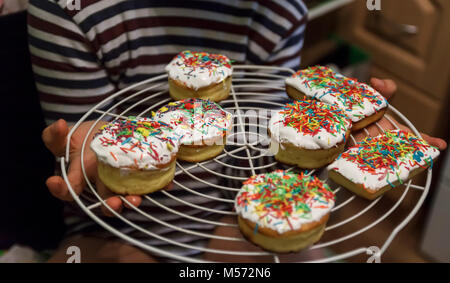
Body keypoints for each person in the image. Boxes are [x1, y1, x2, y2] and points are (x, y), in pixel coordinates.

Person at [30, 0, 447, 262]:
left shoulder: (276, 9)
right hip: (115, 230)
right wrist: (89, 161)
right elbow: (85, 175)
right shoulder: (68, 9)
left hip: (225, 214)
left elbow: (261, 163)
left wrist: (336, 139)